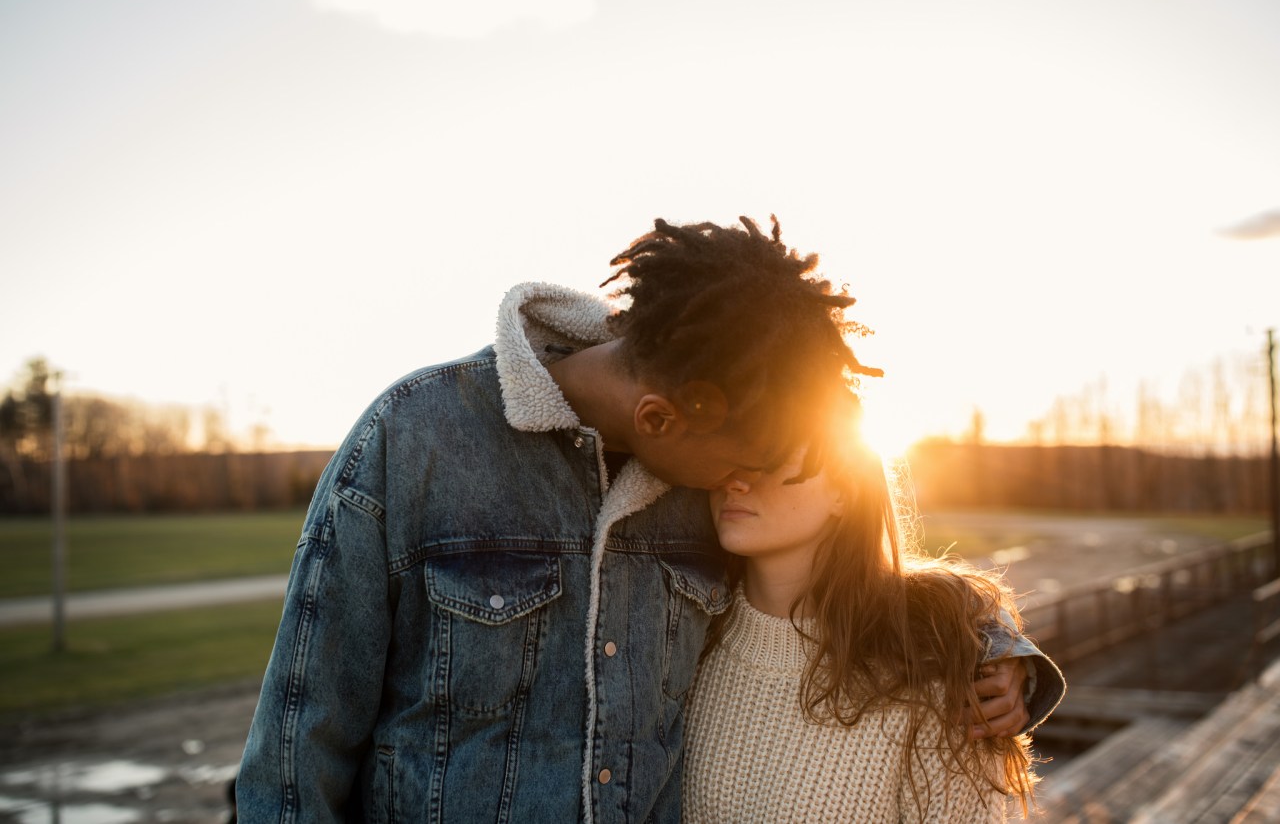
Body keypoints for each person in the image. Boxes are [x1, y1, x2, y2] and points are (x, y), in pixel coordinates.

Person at [236, 216, 1060, 823]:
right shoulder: (414, 437)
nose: (747, 476)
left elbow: (841, 581)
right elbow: (298, 744)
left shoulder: (705, 479)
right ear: (666, 417)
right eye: (748, 453)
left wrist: (994, 647)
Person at [682, 393, 1059, 822]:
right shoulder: (679, 641)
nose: (735, 479)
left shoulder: (937, 669)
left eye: (770, 456)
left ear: (844, 490)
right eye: (727, 452)